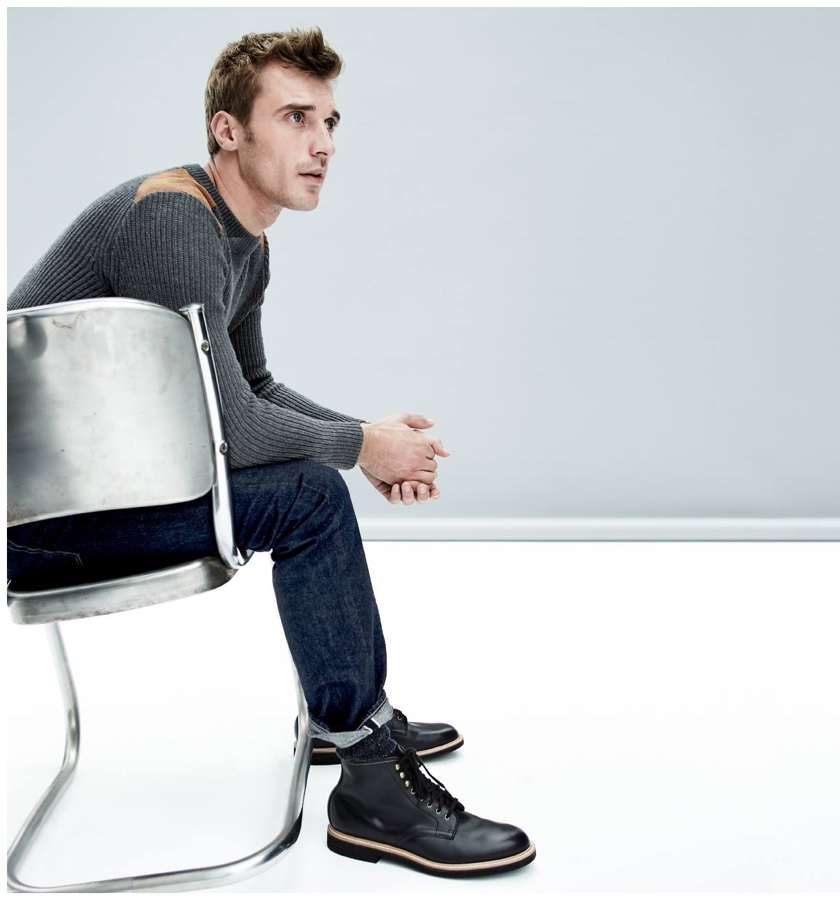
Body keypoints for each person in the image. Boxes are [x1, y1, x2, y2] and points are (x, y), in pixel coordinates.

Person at [6, 28, 536, 878]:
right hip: (41, 527)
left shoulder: (244, 239)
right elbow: (233, 428)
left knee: (313, 481)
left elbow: (251, 388)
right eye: (295, 117)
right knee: (308, 496)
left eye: (329, 121)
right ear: (228, 130)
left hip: (108, 494)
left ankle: (353, 721)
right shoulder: (173, 221)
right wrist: (361, 447)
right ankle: (369, 773)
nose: (322, 143)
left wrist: (368, 440)